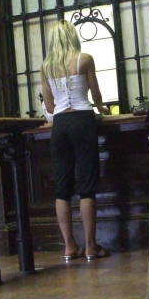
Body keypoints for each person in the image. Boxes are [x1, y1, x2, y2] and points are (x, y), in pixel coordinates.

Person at [40, 20, 110, 262]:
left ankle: (69, 246)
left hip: (60, 125)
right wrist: (102, 106)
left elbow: (49, 106)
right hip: (83, 119)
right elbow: (96, 94)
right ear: (72, 36)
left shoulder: (46, 67)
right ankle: (91, 246)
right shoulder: (85, 59)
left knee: (62, 187)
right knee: (87, 184)